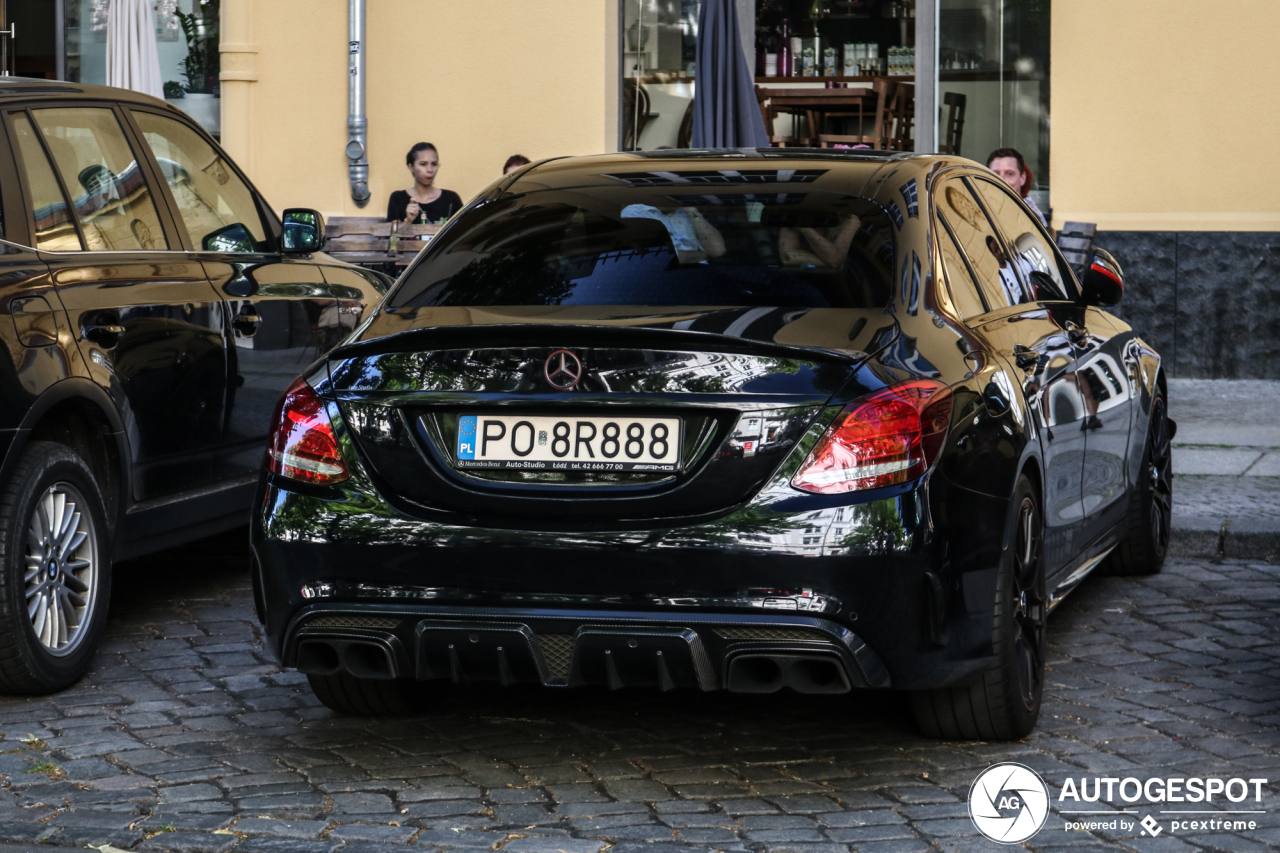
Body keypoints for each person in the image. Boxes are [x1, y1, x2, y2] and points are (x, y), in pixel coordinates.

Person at [387, 142, 463, 225]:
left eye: (434, 164)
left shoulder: (451, 199)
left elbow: (463, 232)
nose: (430, 170)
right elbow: (393, 236)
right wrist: (408, 221)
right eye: (423, 164)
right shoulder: (398, 198)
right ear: (411, 167)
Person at [986, 147, 1047, 228]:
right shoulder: (982, 209)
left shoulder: (1030, 218)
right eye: (995, 174)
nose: (1001, 180)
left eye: (1009, 174)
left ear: (1022, 178)